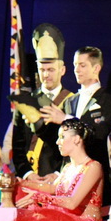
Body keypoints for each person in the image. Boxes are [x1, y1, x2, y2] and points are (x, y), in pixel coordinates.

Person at [42, 46, 111, 198]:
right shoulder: (70, 101)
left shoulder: (109, 100)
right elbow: (61, 141)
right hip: (70, 173)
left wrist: (66, 119)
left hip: (95, 172)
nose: (77, 70)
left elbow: (99, 134)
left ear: (96, 68)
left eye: (82, 65)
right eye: (75, 65)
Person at [10, 23, 74, 180]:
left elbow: (75, 146)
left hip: (59, 178)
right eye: (42, 70)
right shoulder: (26, 101)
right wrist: (28, 173)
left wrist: (58, 174)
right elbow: (17, 147)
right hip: (29, 178)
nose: (46, 75)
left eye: (51, 70)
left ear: (62, 70)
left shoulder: (72, 101)